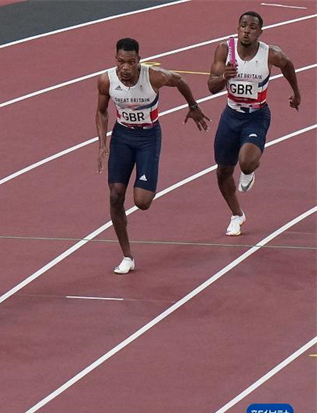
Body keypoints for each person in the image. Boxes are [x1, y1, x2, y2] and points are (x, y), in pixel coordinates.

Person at [95, 38, 210, 274]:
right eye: (120, 62)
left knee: (142, 202)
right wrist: (102, 144)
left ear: (139, 60)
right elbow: (101, 111)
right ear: (115, 60)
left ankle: (149, 177)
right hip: (122, 138)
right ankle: (127, 256)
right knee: (116, 194)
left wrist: (193, 106)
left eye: (130, 62)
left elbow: (180, 80)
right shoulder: (107, 80)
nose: (125, 67)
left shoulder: (155, 77)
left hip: (148, 138)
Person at [208, 11, 301, 236]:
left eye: (252, 27)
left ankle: (249, 171)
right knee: (223, 172)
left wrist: (296, 93)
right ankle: (237, 215)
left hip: (256, 116)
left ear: (260, 32)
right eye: (243, 26)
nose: (246, 30)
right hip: (231, 116)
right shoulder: (224, 50)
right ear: (238, 28)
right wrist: (224, 78)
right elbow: (211, 86)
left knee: (247, 163)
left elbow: (288, 65)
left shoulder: (270, 53)